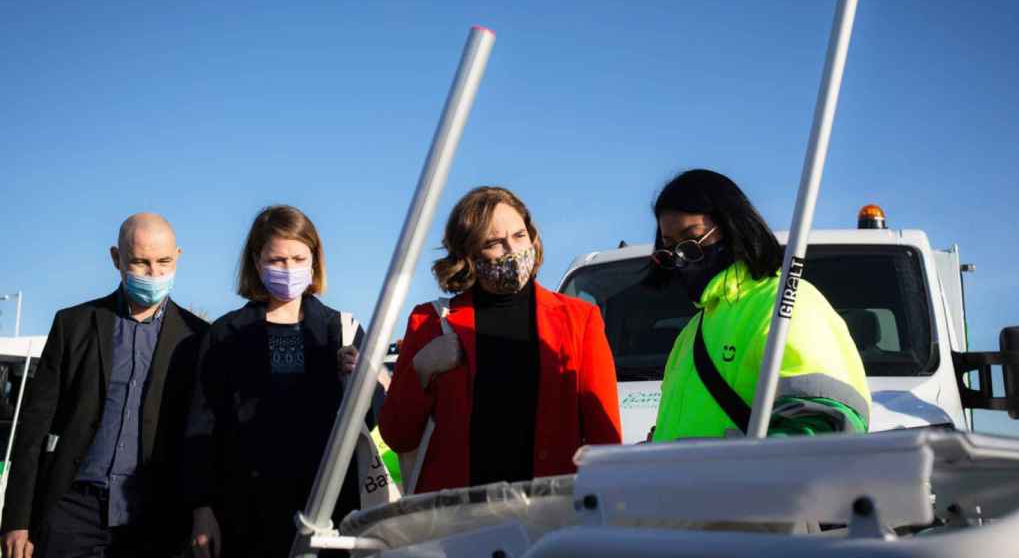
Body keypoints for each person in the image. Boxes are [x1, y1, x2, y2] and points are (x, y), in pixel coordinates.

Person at [379, 186, 622, 494]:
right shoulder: (429, 321)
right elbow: (398, 435)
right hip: (458, 517)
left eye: (520, 236)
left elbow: (604, 434)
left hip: (550, 510)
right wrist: (422, 368)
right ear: (468, 254)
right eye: (494, 242)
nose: (512, 249)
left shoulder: (579, 318)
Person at [1, 213, 208, 558]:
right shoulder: (73, 325)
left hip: (154, 520)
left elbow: (202, 438)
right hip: (70, 512)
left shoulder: (197, 339)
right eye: (140, 263)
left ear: (179, 257)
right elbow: (34, 428)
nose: (154, 273)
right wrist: (16, 520)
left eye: (164, 261)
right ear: (116, 258)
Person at [185, 205, 373, 558]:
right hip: (246, 517)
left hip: (328, 514)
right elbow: (202, 427)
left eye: (298, 258)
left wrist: (358, 379)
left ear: (314, 261)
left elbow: (370, 424)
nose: (289, 269)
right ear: (257, 262)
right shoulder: (225, 334)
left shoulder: (342, 330)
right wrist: (202, 509)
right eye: (277, 260)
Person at [648, 169, 871, 441]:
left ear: (731, 227)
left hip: (746, 483)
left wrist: (744, 473)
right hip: (681, 483)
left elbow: (823, 423)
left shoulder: (786, 305)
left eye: (691, 241)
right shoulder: (690, 333)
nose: (681, 259)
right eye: (670, 249)